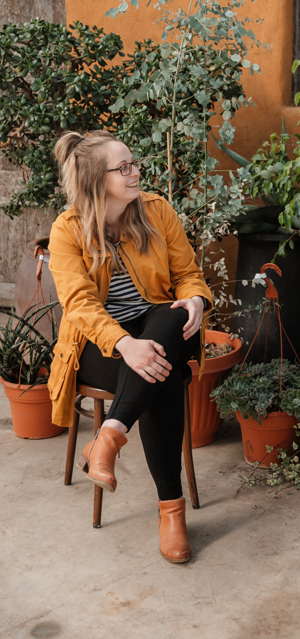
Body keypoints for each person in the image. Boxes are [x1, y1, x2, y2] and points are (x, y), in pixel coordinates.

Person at [48, 130, 212, 563]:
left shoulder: (156, 211)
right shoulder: (67, 230)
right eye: (123, 167)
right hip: (98, 348)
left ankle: (108, 437)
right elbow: (79, 306)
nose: (135, 171)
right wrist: (125, 345)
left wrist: (195, 299)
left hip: (157, 330)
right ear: (95, 180)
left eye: (134, 163)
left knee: (169, 319)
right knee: (160, 370)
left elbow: (189, 275)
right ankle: (171, 510)